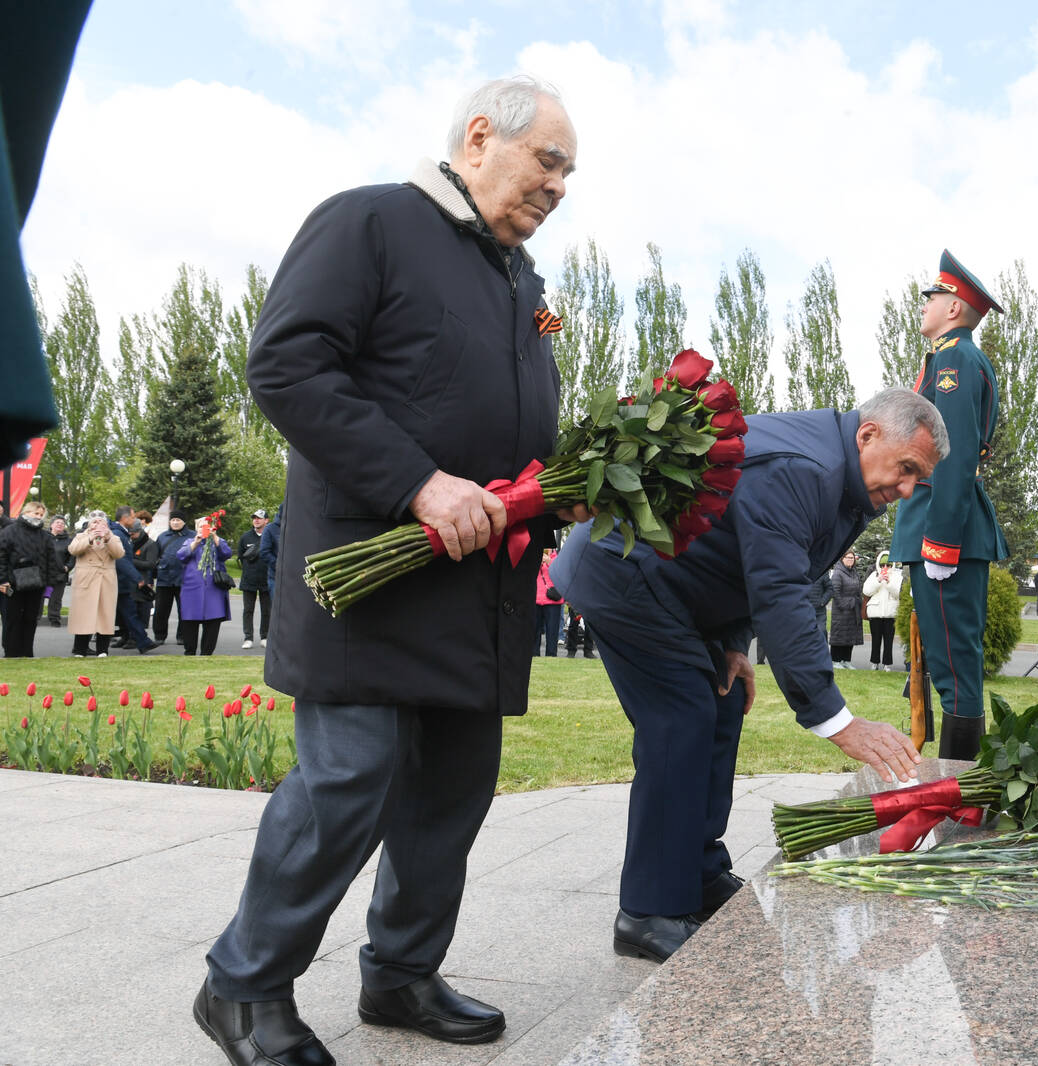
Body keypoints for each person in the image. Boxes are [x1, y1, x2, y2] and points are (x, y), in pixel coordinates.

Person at [196, 75, 582, 1066]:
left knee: (453, 788)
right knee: (349, 779)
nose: (559, 186)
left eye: (570, 174)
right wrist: (418, 482)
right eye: (549, 161)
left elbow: (509, 413)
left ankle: (401, 972)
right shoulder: (369, 222)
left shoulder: (523, 286)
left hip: (477, 581)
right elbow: (286, 365)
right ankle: (243, 984)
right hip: (371, 570)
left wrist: (561, 486)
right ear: (481, 135)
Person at [552, 388, 945, 964]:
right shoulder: (806, 469)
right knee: (680, 716)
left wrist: (734, 645)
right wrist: (836, 720)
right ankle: (648, 910)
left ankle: (699, 871)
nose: (908, 489)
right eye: (907, 469)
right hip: (626, 573)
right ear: (868, 435)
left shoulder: (847, 481)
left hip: (679, 589)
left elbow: (764, 560)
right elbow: (780, 593)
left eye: (920, 481)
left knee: (723, 700)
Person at [889, 250, 1010, 759]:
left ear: (955, 307)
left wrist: (939, 542)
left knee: (954, 664)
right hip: (940, 526)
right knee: (943, 660)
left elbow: (953, 457)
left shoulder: (955, 359)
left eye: (933, 295)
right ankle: (956, 780)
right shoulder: (945, 357)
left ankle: (960, 787)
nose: (925, 303)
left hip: (946, 531)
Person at [0, 500, 58, 657]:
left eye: (41, 514)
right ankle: (11, 652)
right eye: (35, 513)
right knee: (12, 619)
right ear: (26, 512)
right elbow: (2, 557)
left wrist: (49, 584)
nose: (38, 516)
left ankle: (27, 652)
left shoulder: (45, 535)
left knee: (31, 619)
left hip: (37, 583)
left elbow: (51, 560)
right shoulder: (9, 531)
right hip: (13, 583)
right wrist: (2, 580)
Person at [175, 515, 232, 655]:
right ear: (196, 529)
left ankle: (207, 653)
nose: (203, 529)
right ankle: (190, 651)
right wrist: (195, 543)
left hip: (214, 589)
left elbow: (227, 553)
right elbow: (181, 556)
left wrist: (215, 537)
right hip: (191, 589)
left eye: (206, 526)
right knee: (189, 620)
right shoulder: (189, 541)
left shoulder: (218, 541)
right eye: (201, 526)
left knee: (213, 620)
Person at [67, 510, 121, 657]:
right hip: (86, 579)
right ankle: (80, 649)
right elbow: (73, 550)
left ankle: (102, 649)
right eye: (95, 522)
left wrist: (108, 538)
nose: (98, 525)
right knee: (83, 615)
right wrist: (89, 538)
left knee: (105, 615)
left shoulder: (113, 537)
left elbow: (119, 554)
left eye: (101, 522)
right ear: (89, 524)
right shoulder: (81, 536)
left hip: (105, 579)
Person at [109, 505, 158, 653]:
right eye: (132, 516)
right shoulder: (118, 535)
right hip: (120, 580)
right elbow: (122, 560)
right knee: (125, 612)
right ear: (124, 518)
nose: (135, 519)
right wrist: (138, 578)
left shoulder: (121, 533)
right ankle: (86, 645)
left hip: (123, 580)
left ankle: (143, 642)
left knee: (128, 612)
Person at [152, 511, 189, 644]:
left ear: (184, 522)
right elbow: (155, 556)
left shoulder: (192, 536)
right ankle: (159, 636)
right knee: (161, 610)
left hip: (184, 579)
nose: (175, 522)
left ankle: (183, 636)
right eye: (173, 520)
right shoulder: (162, 537)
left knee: (184, 610)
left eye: (178, 520)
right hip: (164, 578)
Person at [862, 551, 903, 671]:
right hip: (875, 612)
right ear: (879, 565)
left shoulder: (896, 576)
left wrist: (889, 582)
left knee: (888, 641)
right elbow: (866, 591)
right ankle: (874, 662)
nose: (885, 568)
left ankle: (887, 664)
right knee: (876, 640)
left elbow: (897, 593)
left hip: (890, 613)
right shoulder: (874, 575)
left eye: (888, 565)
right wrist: (878, 580)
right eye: (883, 565)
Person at [238, 508, 272, 649]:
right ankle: (248, 638)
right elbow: (240, 555)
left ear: (266, 520)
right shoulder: (246, 537)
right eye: (254, 518)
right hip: (249, 579)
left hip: (266, 579)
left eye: (259, 518)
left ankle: (264, 637)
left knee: (266, 610)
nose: (256, 520)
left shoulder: (270, 535)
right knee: (248, 610)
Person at [828, 550, 865, 667]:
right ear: (842, 559)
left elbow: (858, 590)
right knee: (839, 635)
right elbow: (835, 592)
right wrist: (845, 605)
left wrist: (858, 603)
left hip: (854, 609)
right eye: (848, 558)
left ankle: (846, 660)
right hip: (842, 610)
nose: (850, 560)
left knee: (850, 636)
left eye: (852, 558)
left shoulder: (854, 572)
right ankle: (836, 660)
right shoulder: (838, 573)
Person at [130, 512, 160, 635]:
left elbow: (151, 564)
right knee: (130, 611)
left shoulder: (150, 544)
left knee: (142, 611)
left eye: (133, 533)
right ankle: (127, 636)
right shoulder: (129, 541)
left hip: (143, 581)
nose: (131, 535)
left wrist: (130, 561)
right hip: (130, 581)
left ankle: (138, 636)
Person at [42, 514, 71, 626]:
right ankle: (36, 617)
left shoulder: (68, 540)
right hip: (44, 573)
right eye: (57, 522)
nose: (60, 525)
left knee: (56, 599)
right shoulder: (44, 537)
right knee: (39, 598)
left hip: (60, 574)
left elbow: (72, 557)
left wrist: (68, 567)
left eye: (62, 523)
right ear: (51, 525)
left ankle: (54, 618)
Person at [534, 547, 563, 656]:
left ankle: (551, 654)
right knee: (534, 631)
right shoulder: (534, 555)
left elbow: (562, 572)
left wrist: (549, 561)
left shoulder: (558, 558)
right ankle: (534, 654)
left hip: (552, 601)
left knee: (552, 632)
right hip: (536, 599)